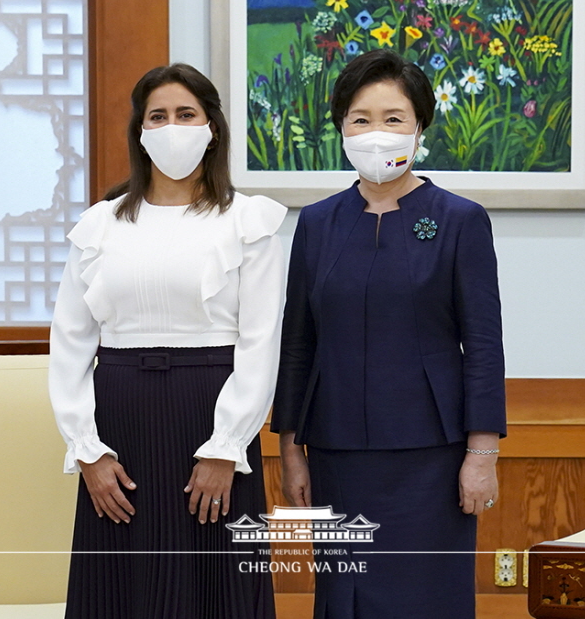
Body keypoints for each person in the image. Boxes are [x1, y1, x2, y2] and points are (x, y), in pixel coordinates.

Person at [271, 49, 506, 618]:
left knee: (427, 598)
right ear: (341, 129)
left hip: (433, 455)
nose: (377, 133)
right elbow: (298, 341)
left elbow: (483, 344)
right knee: (344, 599)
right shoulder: (318, 222)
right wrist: (289, 448)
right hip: (337, 452)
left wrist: (482, 453)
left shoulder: (459, 220)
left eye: (393, 119)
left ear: (419, 127)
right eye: (361, 119)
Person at [49, 63, 285, 619]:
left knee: (214, 590)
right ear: (139, 130)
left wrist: (226, 447)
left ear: (212, 129)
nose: (172, 127)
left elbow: (260, 343)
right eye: (158, 116)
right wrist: (88, 450)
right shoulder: (100, 225)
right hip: (119, 430)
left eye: (187, 114)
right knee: (120, 591)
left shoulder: (248, 221)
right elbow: (70, 344)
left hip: (212, 421)